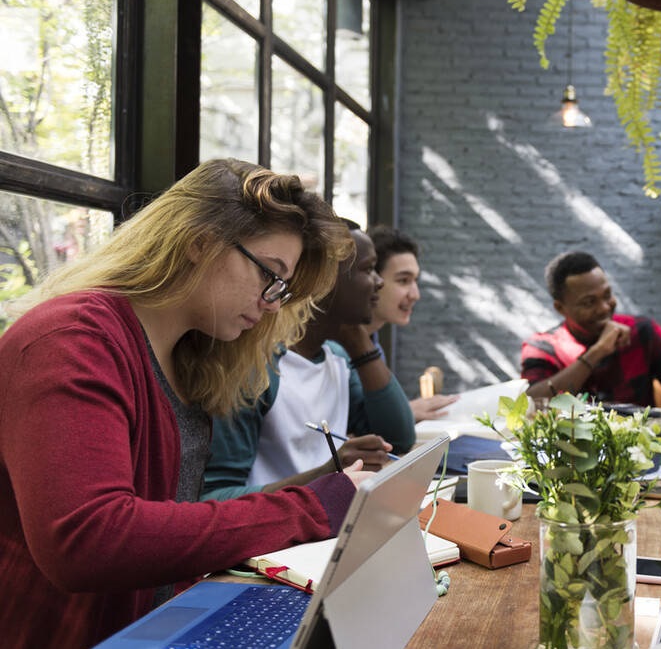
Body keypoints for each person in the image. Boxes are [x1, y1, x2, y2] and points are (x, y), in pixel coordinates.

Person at [0, 159, 373, 649]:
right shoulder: (71, 339)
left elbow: (168, 526)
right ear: (198, 241)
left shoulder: (188, 356)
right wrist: (310, 509)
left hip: (156, 626)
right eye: (269, 274)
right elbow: (88, 540)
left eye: (281, 288)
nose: (272, 303)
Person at [203, 221, 416, 500]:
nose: (378, 281)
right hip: (275, 537)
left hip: (324, 528)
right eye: (368, 269)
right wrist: (327, 476)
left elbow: (398, 439)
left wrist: (361, 344)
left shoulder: (336, 358)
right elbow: (215, 496)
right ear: (325, 282)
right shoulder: (256, 368)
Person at [520, 251, 661, 424]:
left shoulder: (642, 332)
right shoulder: (542, 348)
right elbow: (532, 404)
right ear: (560, 308)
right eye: (589, 302)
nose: (604, 307)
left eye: (607, 295)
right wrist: (597, 352)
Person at [365, 225, 458, 422]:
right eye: (403, 280)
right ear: (370, 280)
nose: (415, 295)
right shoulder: (337, 351)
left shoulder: (373, 345)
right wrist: (404, 413)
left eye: (415, 281)